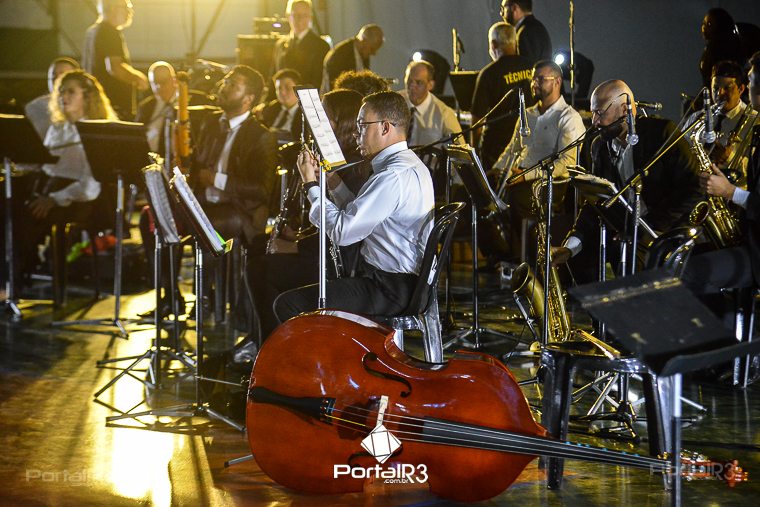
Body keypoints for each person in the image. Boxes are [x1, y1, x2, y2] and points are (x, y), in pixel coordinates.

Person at [273, 91, 435, 328]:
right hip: (400, 283)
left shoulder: (392, 176)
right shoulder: (409, 164)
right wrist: (333, 182)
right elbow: (358, 215)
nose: (355, 134)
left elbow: (344, 233)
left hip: (389, 288)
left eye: (362, 126)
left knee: (288, 304)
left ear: (385, 127)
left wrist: (310, 185)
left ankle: (325, 353)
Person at [244, 89, 367, 345]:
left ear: (343, 122)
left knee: (261, 268)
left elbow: (346, 231)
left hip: (340, 262)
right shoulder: (337, 159)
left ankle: (273, 346)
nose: (319, 123)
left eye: (326, 116)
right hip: (325, 251)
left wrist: (295, 246)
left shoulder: (354, 165)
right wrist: (298, 236)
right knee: (257, 248)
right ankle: (264, 338)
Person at [552, 80, 702, 283]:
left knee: (626, 252)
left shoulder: (662, 133)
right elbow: (595, 203)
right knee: (576, 259)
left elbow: (693, 188)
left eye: (600, 113)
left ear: (624, 109)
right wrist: (570, 247)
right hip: (626, 232)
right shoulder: (599, 146)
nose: (594, 121)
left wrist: (648, 229)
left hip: (664, 229)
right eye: (593, 113)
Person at [7, 71, 116, 285]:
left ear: (87, 96)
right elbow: (44, 162)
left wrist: (54, 199)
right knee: (6, 206)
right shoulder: (58, 127)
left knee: (22, 218)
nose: (63, 97)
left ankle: (13, 280)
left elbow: (90, 185)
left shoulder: (98, 129)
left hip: (76, 198)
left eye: (71, 92)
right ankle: (16, 272)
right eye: (61, 92)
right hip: (45, 187)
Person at [492, 60, 585, 258]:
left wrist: (526, 175)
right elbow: (512, 149)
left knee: (515, 198)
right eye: (533, 79)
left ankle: (524, 260)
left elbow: (567, 163)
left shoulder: (569, 117)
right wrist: (496, 169)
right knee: (478, 194)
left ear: (557, 81)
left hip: (550, 183)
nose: (534, 83)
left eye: (541, 79)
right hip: (517, 176)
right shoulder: (527, 114)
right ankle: (501, 255)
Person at [471, 22, 533, 171]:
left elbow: (477, 120)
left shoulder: (489, 74)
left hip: (496, 148)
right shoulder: (533, 67)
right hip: (528, 144)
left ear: (493, 44)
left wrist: (474, 152)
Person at [686, 61, 756, 183]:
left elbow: (755, 171)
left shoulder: (754, 121)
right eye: (715, 88)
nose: (720, 94)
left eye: (727, 88)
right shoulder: (697, 118)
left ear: (741, 89)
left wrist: (729, 158)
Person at [82, 0, 148, 120]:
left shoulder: (91, 32)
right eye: (126, 7)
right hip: (114, 105)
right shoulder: (110, 32)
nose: (130, 12)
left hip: (96, 103)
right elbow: (115, 68)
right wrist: (138, 78)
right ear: (112, 8)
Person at [400, 60, 462, 147]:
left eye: (419, 82)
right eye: (409, 81)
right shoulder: (394, 103)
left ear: (430, 85)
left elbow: (461, 149)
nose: (412, 86)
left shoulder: (444, 114)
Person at [272, 0, 329, 90]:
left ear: (310, 18)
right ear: (288, 16)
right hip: (282, 96)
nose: (300, 19)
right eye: (296, 15)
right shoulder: (280, 45)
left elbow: (319, 82)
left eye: (305, 15)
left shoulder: (321, 46)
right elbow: (273, 78)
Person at [25, 57, 80, 140]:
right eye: (53, 75)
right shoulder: (34, 107)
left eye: (62, 75)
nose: (56, 79)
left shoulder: (86, 107)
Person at [322, 24, 384, 93]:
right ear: (364, 41)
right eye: (372, 49)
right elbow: (336, 85)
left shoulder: (363, 53)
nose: (374, 53)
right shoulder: (340, 55)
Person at [135, 61, 178, 155]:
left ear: (174, 80)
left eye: (163, 82)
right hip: (148, 157)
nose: (159, 87)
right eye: (154, 83)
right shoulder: (145, 107)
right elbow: (136, 135)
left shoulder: (188, 103)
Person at [699, 8, 746, 89]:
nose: (704, 27)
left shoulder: (722, 50)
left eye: (709, 24)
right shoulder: (710, 48)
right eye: (703, 23)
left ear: (721, 26)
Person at [500, 0, 552, 66]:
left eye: (503, 8)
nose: (501, 13)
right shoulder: (535, 27)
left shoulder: (526, 32)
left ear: (514, 8)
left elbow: (527, 68)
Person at [258, 68, 303, 144]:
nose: (283, 92)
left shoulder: (306, 113)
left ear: (298, 89)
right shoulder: (270, 108)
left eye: (288, 88)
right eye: (279, 88)